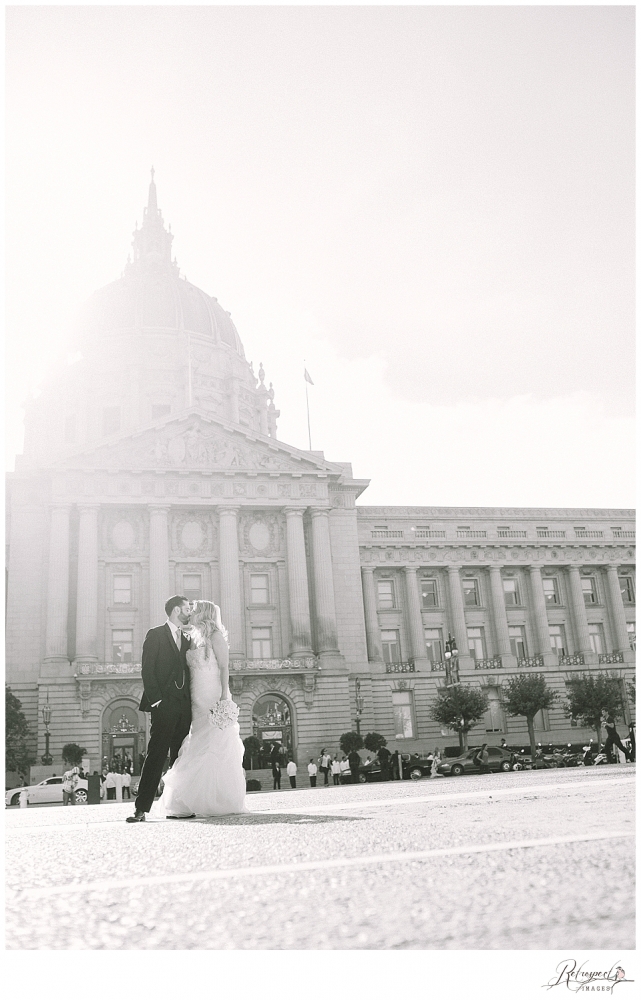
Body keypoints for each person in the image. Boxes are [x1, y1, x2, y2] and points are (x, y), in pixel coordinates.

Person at [154, 600, 248, 818]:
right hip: (196, 697)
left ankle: (215, 800)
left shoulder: (216, 636)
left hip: (213, 693)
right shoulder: (193, 637)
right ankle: (188, 800)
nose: (190, 613)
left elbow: (224, 667)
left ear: (203, 613)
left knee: (214, 743)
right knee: (196, 741)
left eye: (193, 610)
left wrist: (224, 696)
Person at [127, 595, 193, 823]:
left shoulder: (187, 638)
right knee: (156, 756)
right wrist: (157, 702)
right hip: (163, 706)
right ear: (176, 610)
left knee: (180, 757)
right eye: (186, 608)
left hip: (184, 707)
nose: (189, 613)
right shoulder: (155, 635)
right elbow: (148, 670)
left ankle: (179, 806)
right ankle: (141, 809)